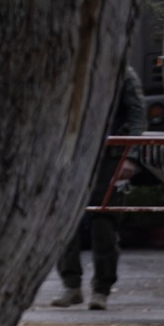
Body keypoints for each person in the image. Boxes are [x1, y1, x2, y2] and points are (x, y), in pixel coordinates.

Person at [50, 64, 145, 309]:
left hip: (109, 159)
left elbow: (137, 116)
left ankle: (101, 289)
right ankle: (71, 285)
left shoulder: (121, 73)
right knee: (65, 222)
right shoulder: (71, 67)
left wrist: (131, 156)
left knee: (104, 224)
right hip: (72, 156)